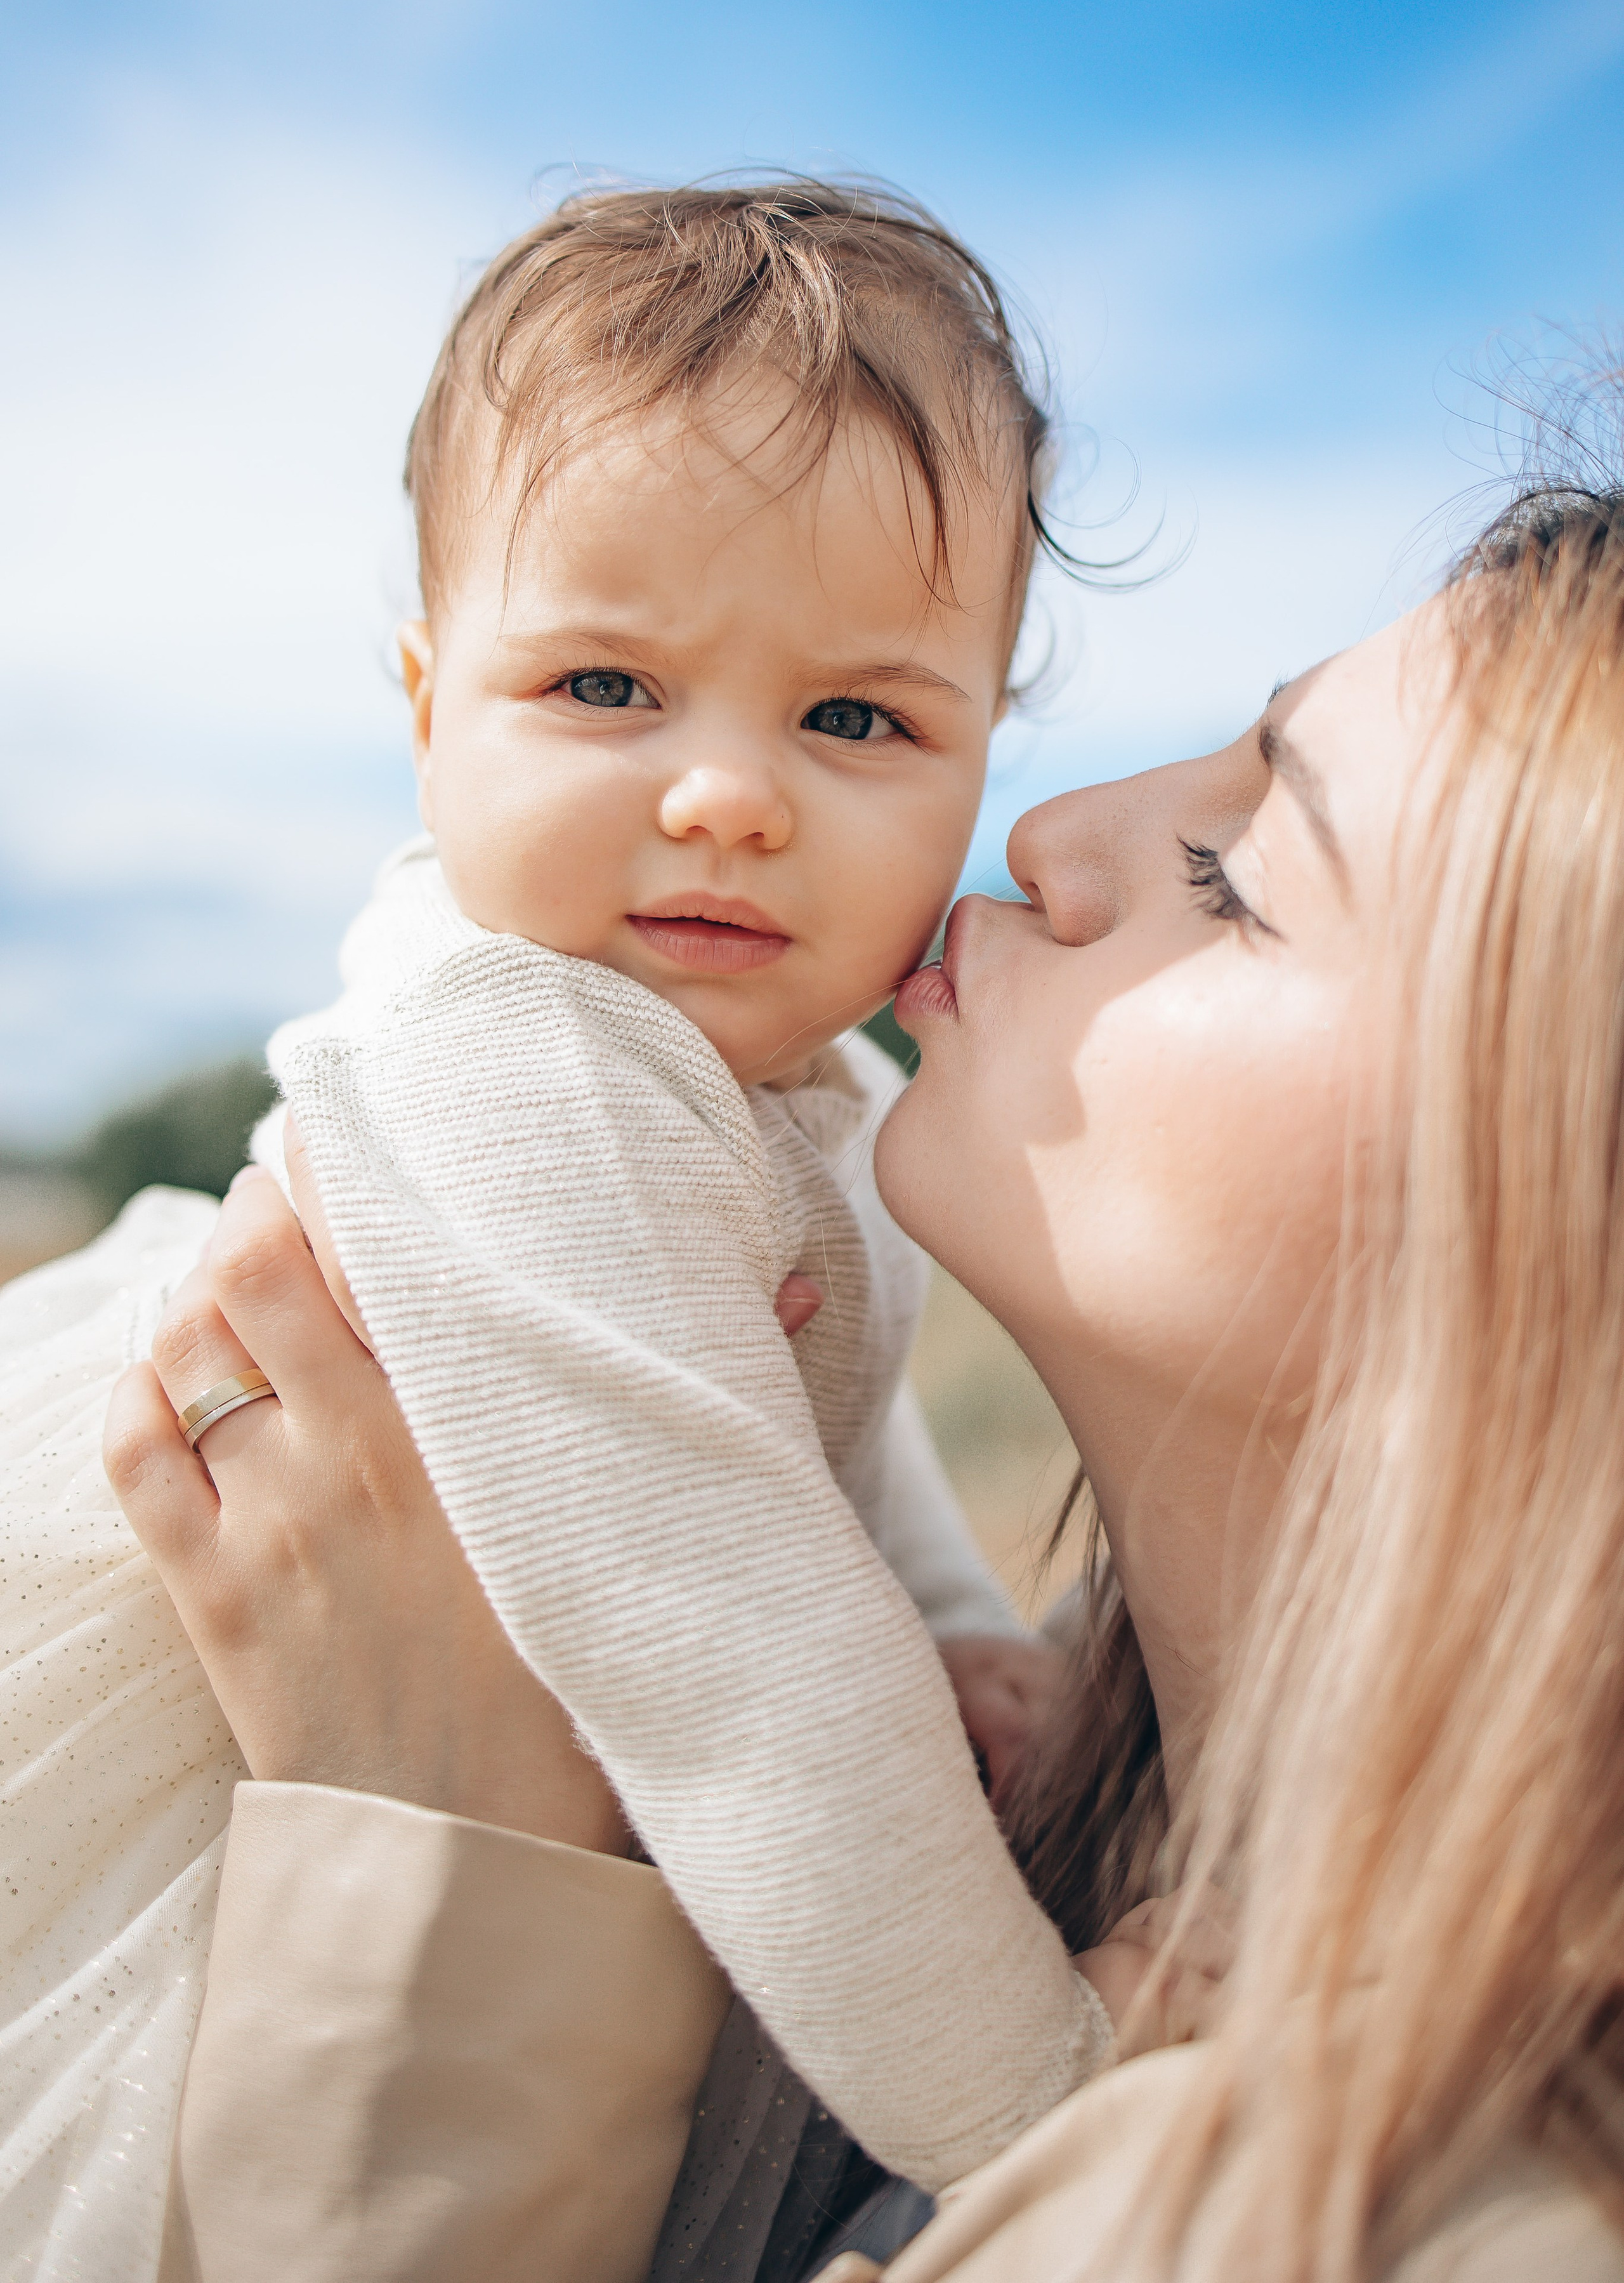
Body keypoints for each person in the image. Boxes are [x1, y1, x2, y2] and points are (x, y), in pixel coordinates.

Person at [108, 443, 1624, 2280]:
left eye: (1236, 873)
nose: (1053, 836)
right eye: (604, 685)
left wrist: (459, 1860)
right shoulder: (1093, 1851)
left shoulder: (1451, 2229)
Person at [0, 180, 1149, 2281]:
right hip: (178, 1849)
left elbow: (813, 1431)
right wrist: (1045, 2120)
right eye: (609, 685)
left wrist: (965, 1623)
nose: (729, 794)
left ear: (984, 754)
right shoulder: (520, 1070)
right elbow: (738, 1657)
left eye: (859, 720)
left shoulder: (800, 1090)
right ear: (431, 706)